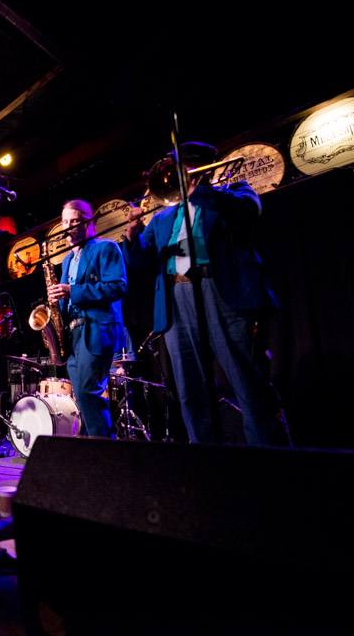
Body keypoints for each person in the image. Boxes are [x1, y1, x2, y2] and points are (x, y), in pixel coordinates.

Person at [123, 141, 290, 447]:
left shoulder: (233, 193)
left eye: (180, 172)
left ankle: (272, 464)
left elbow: (247, 213)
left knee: (249, 383)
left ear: (199, 171)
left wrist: (198, 191)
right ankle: (208, 467)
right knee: (190, 392)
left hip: (222, 295)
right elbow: (138, 262)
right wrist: (132, 235)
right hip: (177, 300)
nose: (172, 180)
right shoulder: (163, 218)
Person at [48, 199, 127, 437]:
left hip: (96, 328)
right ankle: (99, 446)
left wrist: (73, 291)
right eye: (64, 222)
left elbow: (118, 287)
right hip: (73, 333)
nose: (68, 227)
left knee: (86, 391)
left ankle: (103, 448)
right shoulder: (67, 259)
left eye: (74, 221)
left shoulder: (106, 247)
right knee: (81, 394)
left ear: (88, 223)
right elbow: (67, 297)